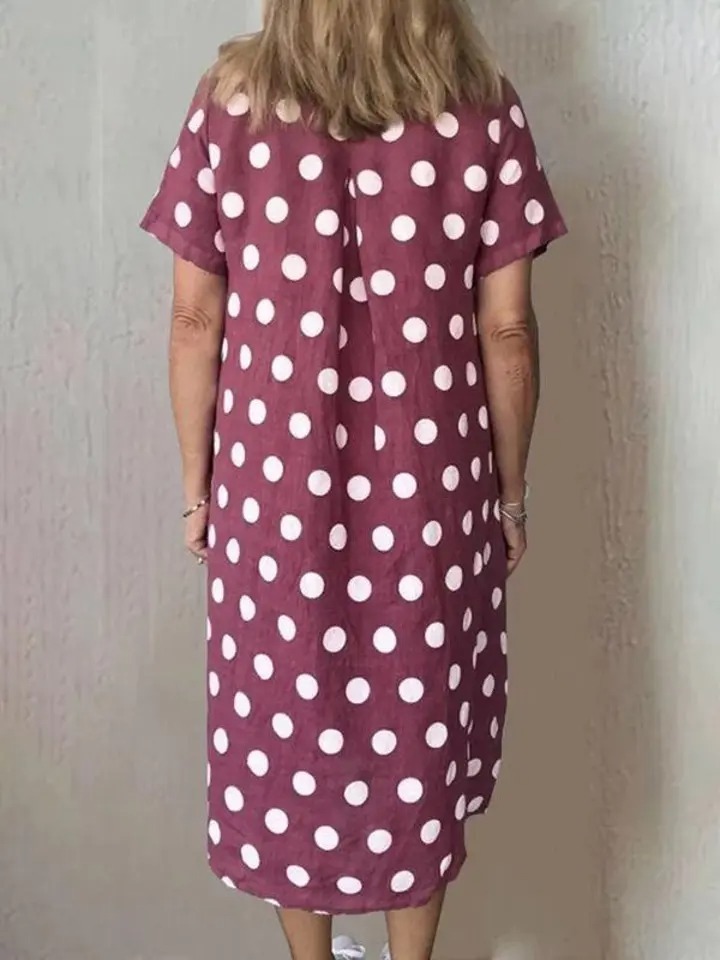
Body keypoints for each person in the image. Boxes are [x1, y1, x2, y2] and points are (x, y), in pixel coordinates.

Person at [140, 1, 567, 958]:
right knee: (416, 730)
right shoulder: (483, 107)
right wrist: (510, 496)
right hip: (432, 501)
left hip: (272, 499)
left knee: (288, 727)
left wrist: (198, 489)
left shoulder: (229, 105)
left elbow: (194, 321)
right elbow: (506, 330)